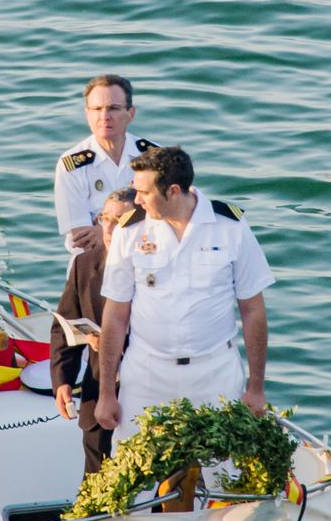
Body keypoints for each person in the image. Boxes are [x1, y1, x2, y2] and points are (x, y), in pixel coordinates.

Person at [94, 146, 274, 443]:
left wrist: (256, 388)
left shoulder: (230, 227)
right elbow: (115, 314)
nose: (135, 199)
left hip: (215, 373)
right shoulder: (131, 230)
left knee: (225, 476)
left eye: (143, 192)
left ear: (173, 191)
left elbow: (253, 309)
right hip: (146, 373)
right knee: (135, 478)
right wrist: (106, 393)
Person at [49, 187, 137, 474]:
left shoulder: (154, 266)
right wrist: (62, 380)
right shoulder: (84, 264)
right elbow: (64, 326)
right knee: (97, 480)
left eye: (119, 220)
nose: (108, 228)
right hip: (98, 391)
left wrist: (114, 343)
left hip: (145, 389)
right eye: (104, 218)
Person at [53, 75, 156, 254]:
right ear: (87, 114)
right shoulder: (71, 165)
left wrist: (104, 231)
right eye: (97, 109)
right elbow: (81, 238)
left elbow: (169, 220)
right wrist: (137, 226)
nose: (104, 116)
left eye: (113, 108)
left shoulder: (155, 158)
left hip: (148, 259)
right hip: (93, 264)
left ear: (130, 113)